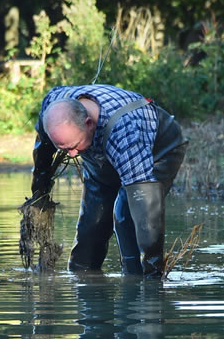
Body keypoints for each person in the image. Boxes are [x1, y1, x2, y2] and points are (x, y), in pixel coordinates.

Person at [30, 84, 187, 277]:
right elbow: (44, 152)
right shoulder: (52, 108)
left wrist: (153, 269)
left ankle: (137, 282)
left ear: (89, 123)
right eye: (63, 148)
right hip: (100, 157)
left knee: (125, 214)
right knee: (90, 228)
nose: (71, 155)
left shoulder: (125, 132)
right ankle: (83, 281)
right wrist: (39, 192)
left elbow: (145, 211)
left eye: (74, 146)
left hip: (158, 151)